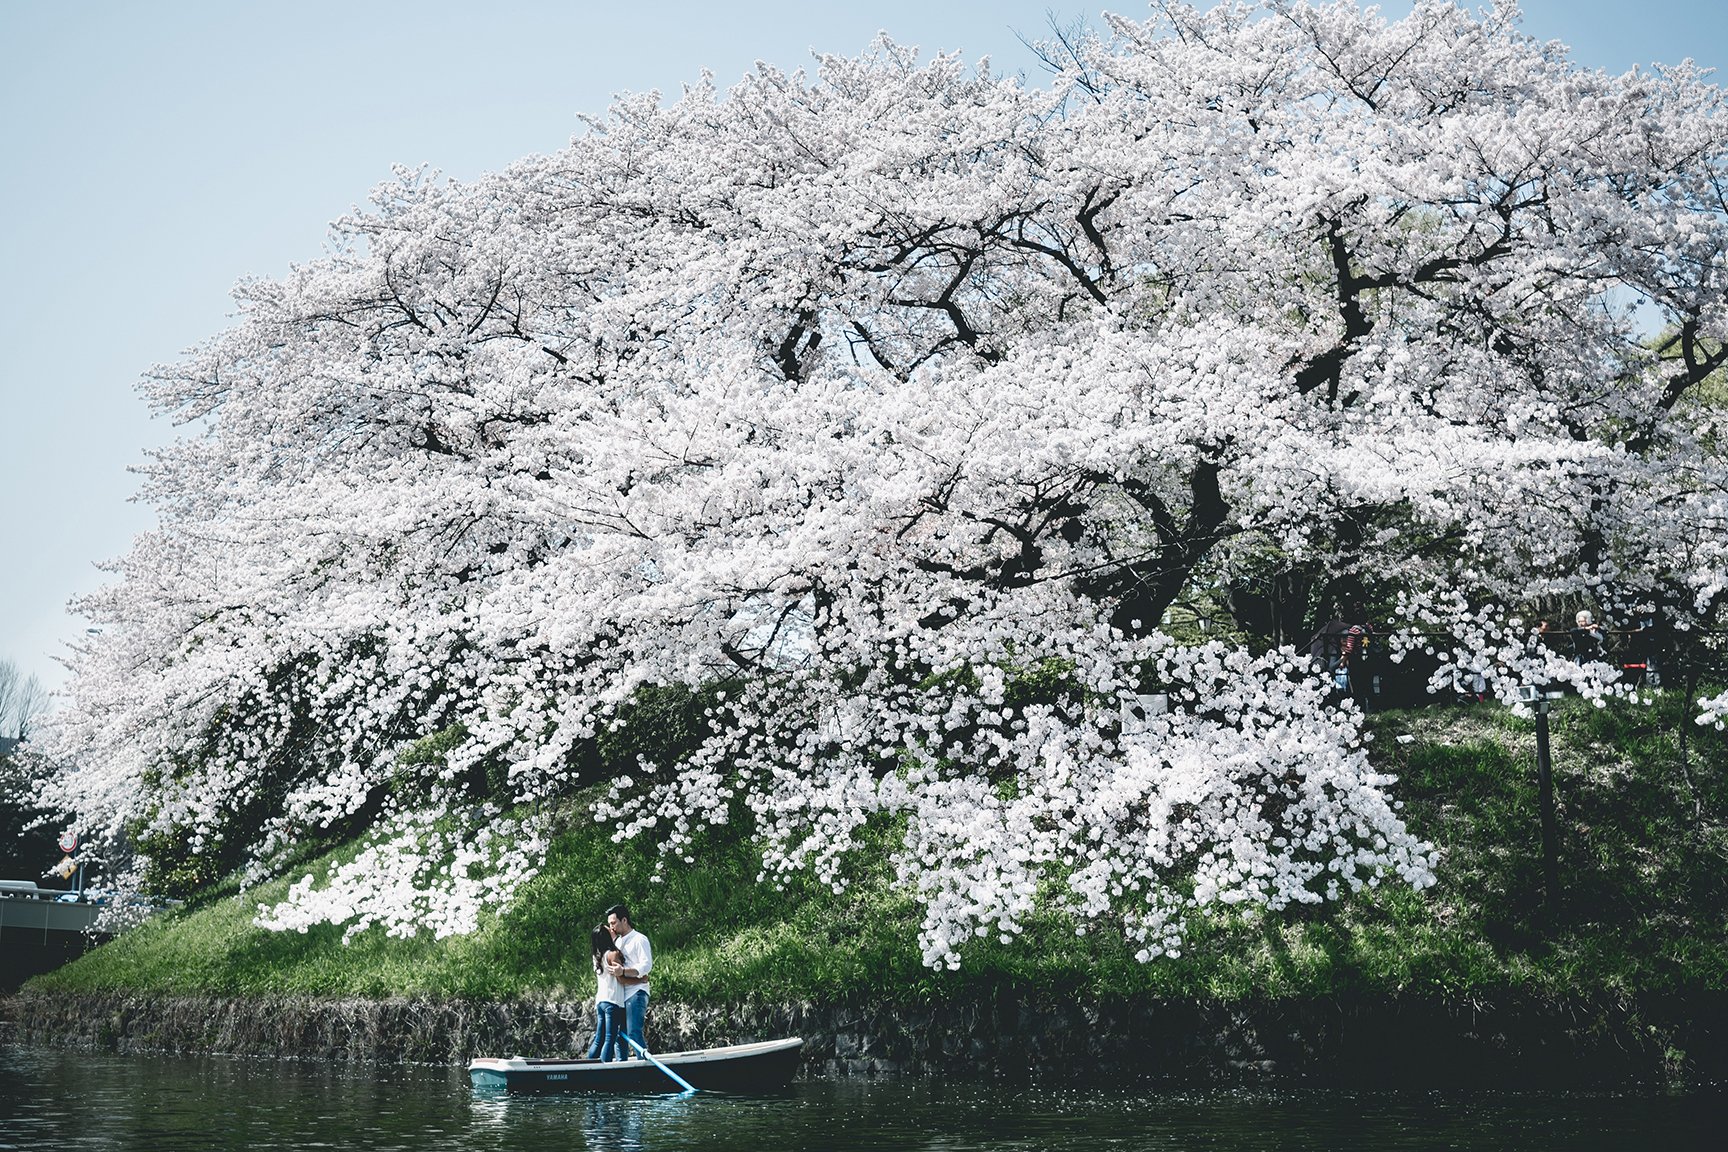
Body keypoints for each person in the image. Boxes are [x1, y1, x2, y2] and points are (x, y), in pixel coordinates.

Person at [605, 903, 653, 1055]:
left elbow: (646, 966)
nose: (611, 927)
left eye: (613, 923)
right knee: (620, 1035)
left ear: (624, 920)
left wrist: (623, 971)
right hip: (620, 994)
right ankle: (622, 1065)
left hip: (636, 992)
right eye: (609, 924)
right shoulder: (617, 942)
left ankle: (643, 1065)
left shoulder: (639, 939)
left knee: (633, 1032)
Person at [585, 925, 626, 1062]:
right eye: (608, 928)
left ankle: (587, 1065)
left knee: (599, 1038)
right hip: (612, 1000)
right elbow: (620, 977)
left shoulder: (596, 957)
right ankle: (604, 1068)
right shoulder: (612, 954)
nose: (611, 928)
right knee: (610, 1038)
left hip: (601, 1000)